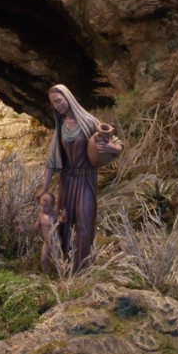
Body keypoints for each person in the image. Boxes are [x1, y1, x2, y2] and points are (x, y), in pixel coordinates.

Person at [39, 84, 122, 272]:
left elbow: (116, 143)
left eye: (59, 101)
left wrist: (112, 148)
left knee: (84, 224)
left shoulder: (89, 122)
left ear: (68, 98)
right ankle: (64, 266)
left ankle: (81, 269)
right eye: (53, 103)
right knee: (65, 222)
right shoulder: (61, 126)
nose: (57, 106)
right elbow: (52, 160)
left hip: (86, 180)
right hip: (67, 181)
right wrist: (44, 188)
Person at [22, 192, 67, 274]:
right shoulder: (41, 216)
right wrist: (25, 229)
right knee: (43, 259)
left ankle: (60, 274)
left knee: (57, 259)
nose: (43, 208)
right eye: (41, 205)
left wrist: (63, 217)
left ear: (53, 205)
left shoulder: (54, 215)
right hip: (46, 242)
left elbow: (62, 220)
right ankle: (45, 275)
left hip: (55, 241)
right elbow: (35, 228)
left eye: (46, 206)